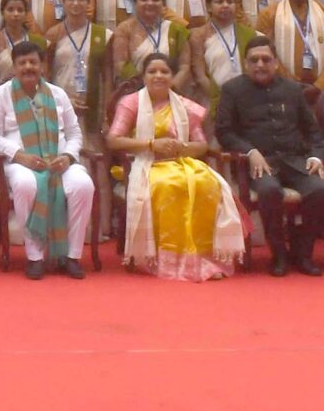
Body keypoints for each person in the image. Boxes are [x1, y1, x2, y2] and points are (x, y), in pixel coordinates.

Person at [105, 51, 245, 280]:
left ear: (172, 76)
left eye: (164, 71)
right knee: (169, 186)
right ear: (143, 76)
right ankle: (166, 259)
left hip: (182, 161)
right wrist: (152, 144)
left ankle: (203, 258)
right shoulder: (131, 103)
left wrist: (179, 148)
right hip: (148, 164)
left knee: (206, 184)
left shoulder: (183, 105)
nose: (158, 76)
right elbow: (113, 140)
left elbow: (200, 145)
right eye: (152, 71)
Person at [211, 40, 324, 276]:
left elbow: (313, 131)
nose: (260, 64)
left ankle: (303, 252)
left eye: (266, 59)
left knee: (319, 190)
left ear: (275, 63)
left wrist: (317, 157)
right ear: (246, 64)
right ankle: (279, 254)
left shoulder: (292, 89)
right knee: (269, 191)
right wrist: (250, 152)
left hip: (294, 160)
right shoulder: (232, 90)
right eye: (254, 60)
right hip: (257, 164)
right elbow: (224, 131)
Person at [0, 40, 95, 280]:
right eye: (22, 63)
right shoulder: (0, 95)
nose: (28, 67)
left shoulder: (58, 94)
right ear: (14, 67)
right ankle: (34, 256)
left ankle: (72, 256)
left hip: (59, 161)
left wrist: (67, 156)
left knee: (84, 185)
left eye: (33, 62)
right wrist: (19, 155)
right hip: (19, 162)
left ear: (42, 66)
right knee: (26, 185)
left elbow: (75, 133)